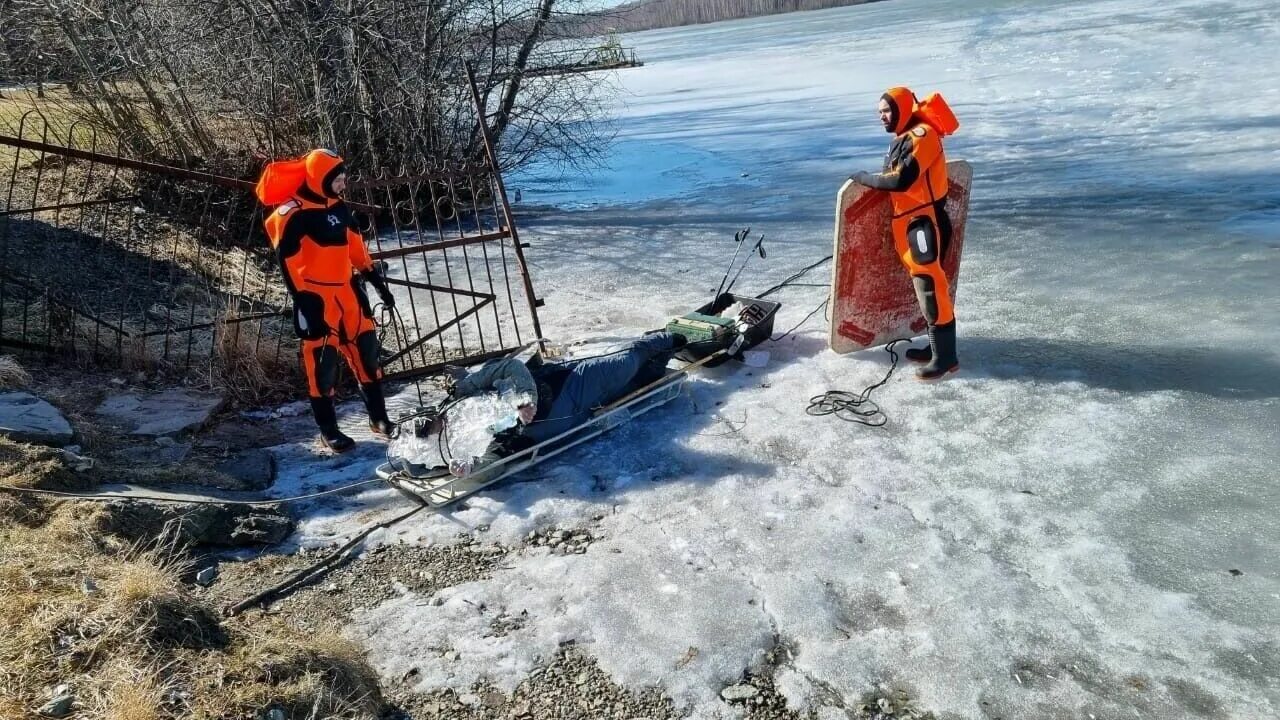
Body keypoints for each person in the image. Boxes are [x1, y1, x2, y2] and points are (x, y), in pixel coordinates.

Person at [254, 148, 398, 451]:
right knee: (323, 365)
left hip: (348, 292)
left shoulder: (340, 208)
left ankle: (379, 418)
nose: (343, 182)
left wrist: (377, 283)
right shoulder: (292, 213)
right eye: (338, 178)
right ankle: (329, 430)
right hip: (316, 296)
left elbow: (357, 251)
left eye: (344, 177)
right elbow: (287, 262)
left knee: (368, 355)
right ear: (321, 177)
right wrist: (302, 300)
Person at [428, 331, 686, 481]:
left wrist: (525, 400)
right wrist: (471, 468)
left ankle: (663, 340)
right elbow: (492, 463)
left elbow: (514, 367)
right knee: (640, 383)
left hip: (572, 382)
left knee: (625, 363)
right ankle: (657, 362)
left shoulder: (482, 389)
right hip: (579, 411)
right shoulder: (495, 438)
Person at [850, 86, 960, 380]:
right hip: (909, 221)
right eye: (879, 113)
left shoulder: (923, 136)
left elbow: (901, 180)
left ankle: (946, 357)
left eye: (886, 110)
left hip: (923, 222)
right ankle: (936, 349)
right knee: (924, 288)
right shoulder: (905, 138)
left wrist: (862, 178)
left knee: (930, 286)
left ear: (902, 108)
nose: (882, 117)